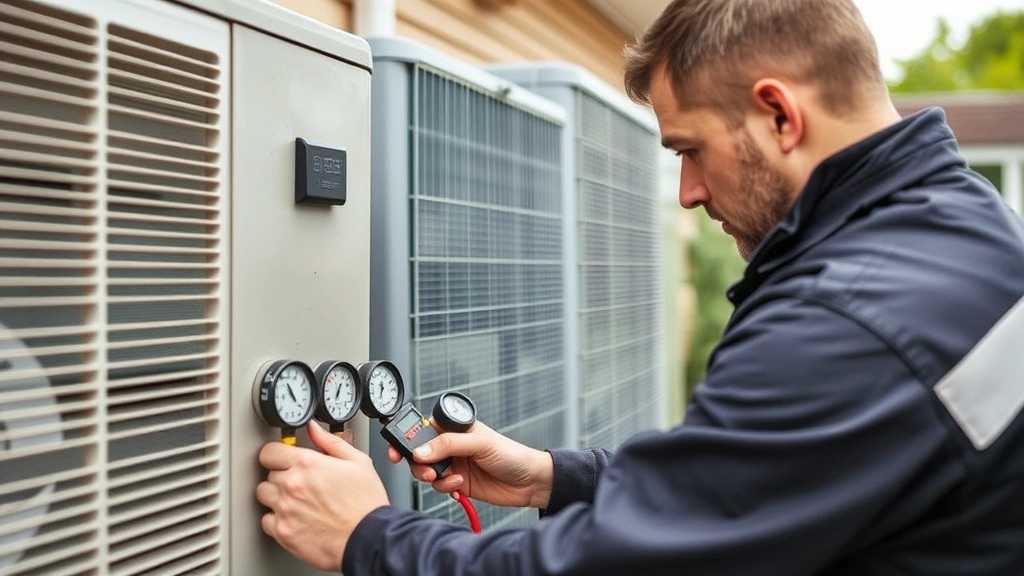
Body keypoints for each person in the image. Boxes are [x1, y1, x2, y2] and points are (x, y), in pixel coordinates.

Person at [256, 0, 1024, 573]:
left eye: (689, 150)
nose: (686, 192)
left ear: (779, 115)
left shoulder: (850, 318)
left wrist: (367, 534)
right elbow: (765, 474)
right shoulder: (963, 229)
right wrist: (553, 479)